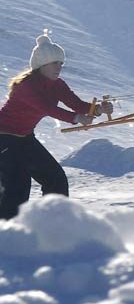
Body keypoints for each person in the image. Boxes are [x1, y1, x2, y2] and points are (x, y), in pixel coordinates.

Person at [0, 31, 113, 219]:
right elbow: (46, 108)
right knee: (18, 185)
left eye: (61, 63)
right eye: (55, 63)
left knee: (56, 179)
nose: (59, 67)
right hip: (4, 138)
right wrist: (76, 118)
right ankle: (7, 236)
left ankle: (55, 224)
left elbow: (78, 105)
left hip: (25, 138)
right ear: (42, 64)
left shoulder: (58, 84)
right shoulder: (26, 86)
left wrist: (99, 109)